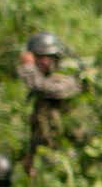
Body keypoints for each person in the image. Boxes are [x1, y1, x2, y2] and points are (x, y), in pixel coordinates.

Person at [16, 32, 81, 175]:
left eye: (41, 58)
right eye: (36, 59)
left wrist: (28, 68)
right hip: (48, 152)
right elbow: (39, 127)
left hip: (68, 152)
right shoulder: (44, 79)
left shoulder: (66, 77)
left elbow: (47, 88)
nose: (37, 64)